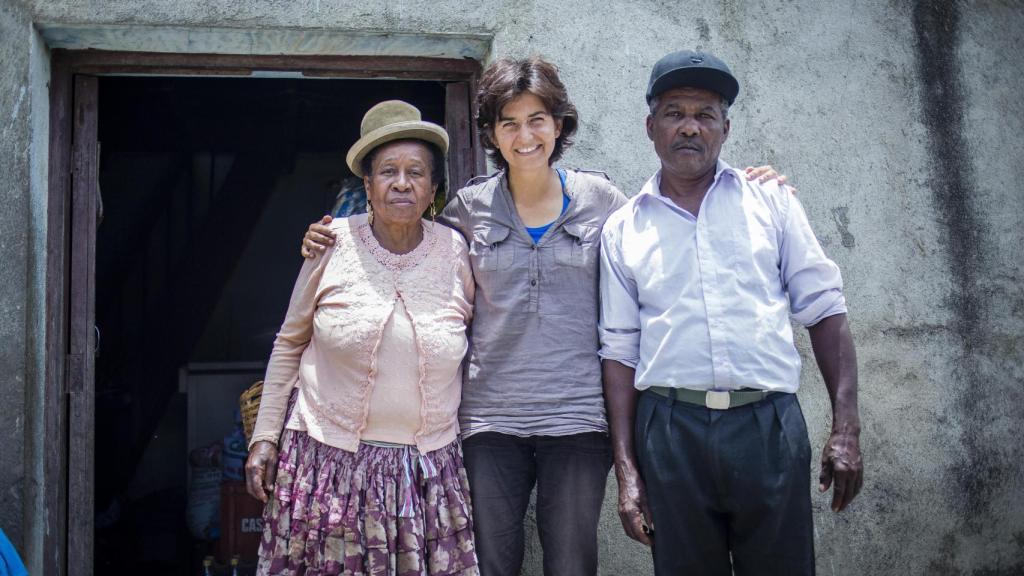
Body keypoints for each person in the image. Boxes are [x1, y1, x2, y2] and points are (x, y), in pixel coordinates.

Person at [300, 57, 787, 576]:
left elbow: (670, 223)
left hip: (577, 420)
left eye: (537, 119)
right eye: (508, 122)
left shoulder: (603, 202)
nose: (524, 135)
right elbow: (407, 252)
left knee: (572, 564)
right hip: (488, 422)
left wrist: (754, 187)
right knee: (490, 562)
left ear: (559, 125)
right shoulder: (466, 209)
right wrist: (335, 240)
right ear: (490, 132)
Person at [599, 49, 864, 576]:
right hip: (671, 432)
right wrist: (627, 471)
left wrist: (846, 429)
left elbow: (826, 311)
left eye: (706, 114)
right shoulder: (624, 228)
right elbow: (619, 352)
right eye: (675, 113)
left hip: (767, 426)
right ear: (651, 127)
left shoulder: (772, 202)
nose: (690, 128)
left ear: (726, 127)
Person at [244, 100, 479, 575]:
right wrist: (265, 438)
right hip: (325, 467)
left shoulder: (454, 251)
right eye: (387, 171)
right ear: (367, 186)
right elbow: (289, 343)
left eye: (416, 172)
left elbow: (477, 337)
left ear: (433, 188)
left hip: (427, 475)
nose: (401, 182)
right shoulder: (331, 244)